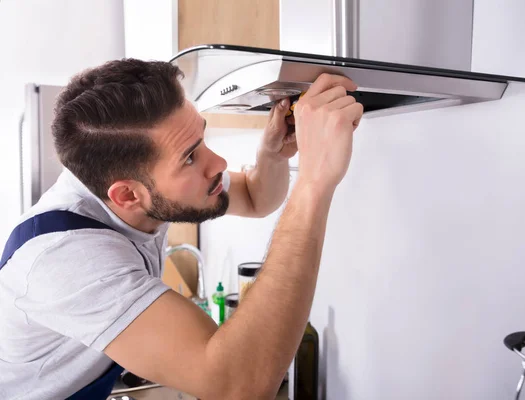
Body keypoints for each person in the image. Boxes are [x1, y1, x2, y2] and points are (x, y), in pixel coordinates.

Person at [0, 59, 363, 400]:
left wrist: (273, 154)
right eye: (190, 157)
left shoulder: (129, 186)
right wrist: (315, 180)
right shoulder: (67, 260)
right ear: (127, 194)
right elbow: (238, 385)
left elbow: (254, 197)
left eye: (202, 139)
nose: (218, 163)